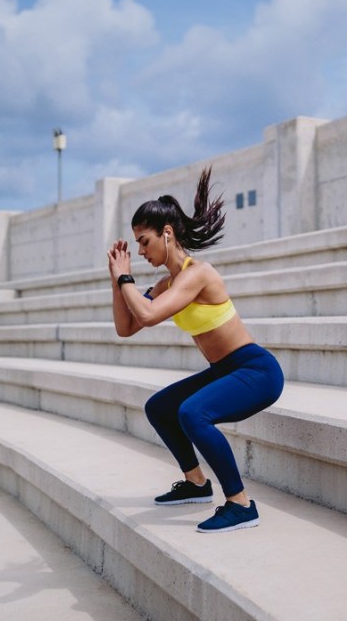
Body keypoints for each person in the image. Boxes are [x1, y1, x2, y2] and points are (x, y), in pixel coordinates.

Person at [107, 167, 284, 533]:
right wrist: (116, 282)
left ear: (166, 234)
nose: (140, 251)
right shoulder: (165, 283)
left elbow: (150, 315)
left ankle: (240, 504)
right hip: (224, 370)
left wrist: (126, 279)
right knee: (160, 408)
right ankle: (197, 484)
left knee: (192, 412)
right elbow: (127, 327)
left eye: (144, 241)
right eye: (137, 244)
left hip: (255, 371)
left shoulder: (197, 274)